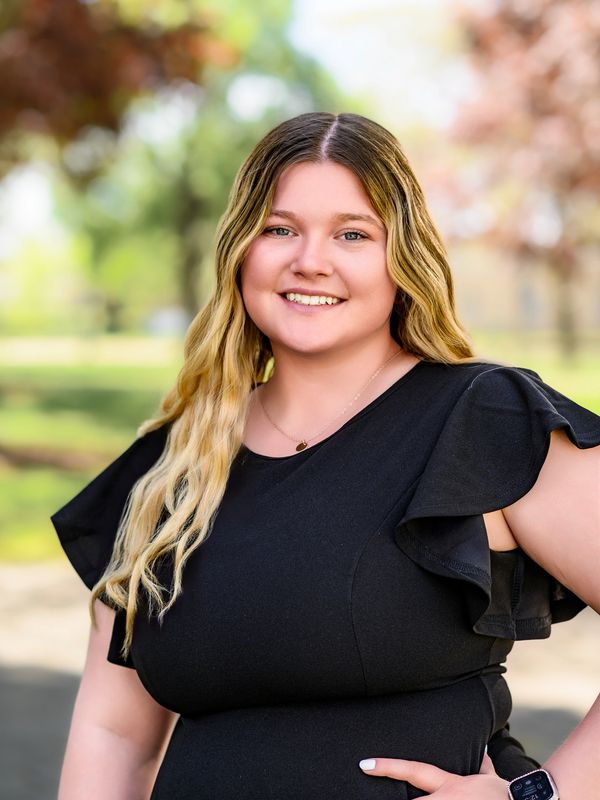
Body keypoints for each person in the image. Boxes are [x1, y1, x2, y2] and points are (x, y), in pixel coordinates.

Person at [51, 112, 600, 800]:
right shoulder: (168, 465)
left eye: (352, 234)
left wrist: (544, 796)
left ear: (402, 257)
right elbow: (114, 735)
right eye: (279, 229)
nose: (310, 260)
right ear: (240, 250)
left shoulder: (483, 419)